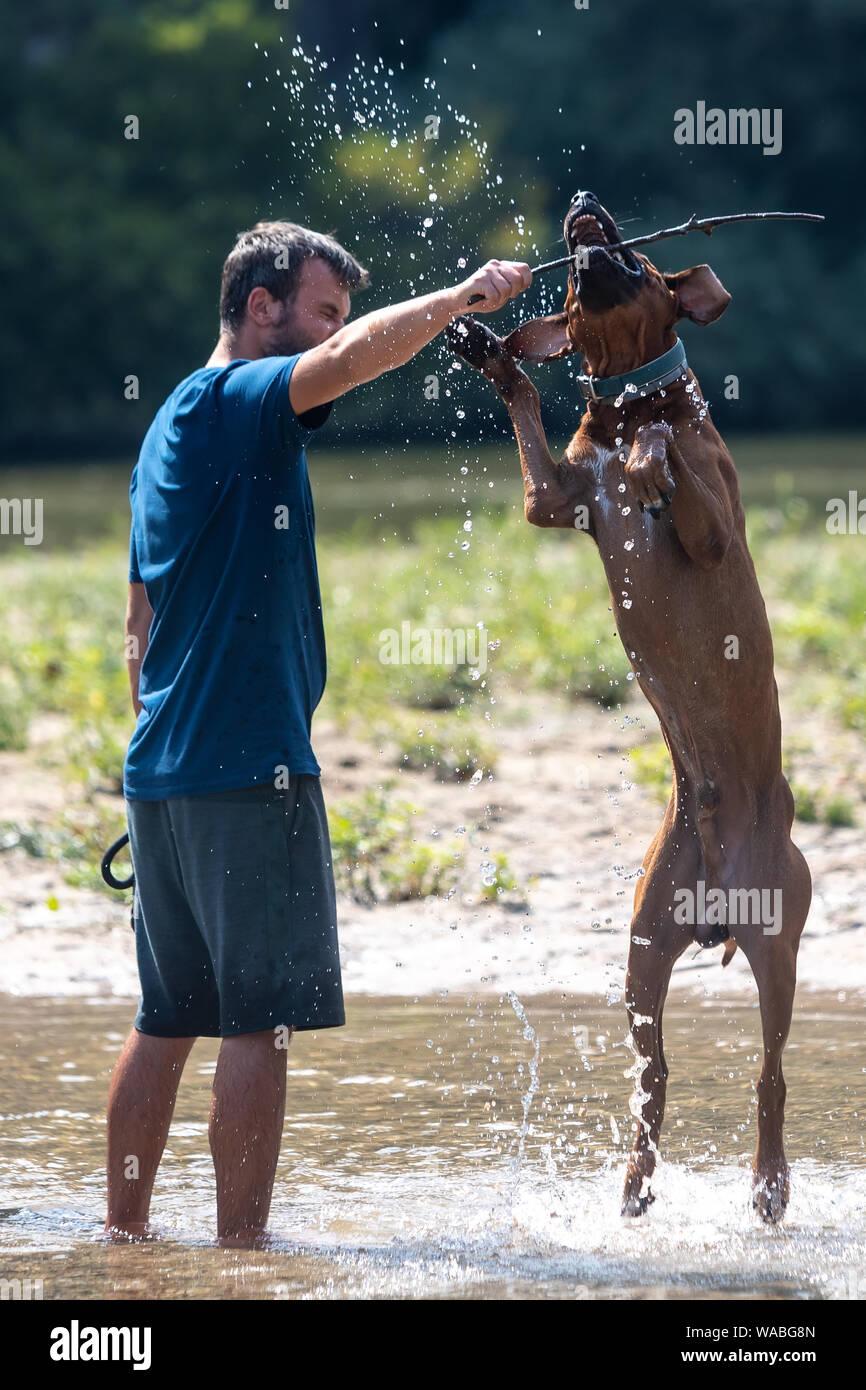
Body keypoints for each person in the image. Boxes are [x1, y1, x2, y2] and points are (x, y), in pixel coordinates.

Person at [105, 218, 532, 1246]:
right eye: (320, 312)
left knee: (166, 1022)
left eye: (341, 313)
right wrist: (461, 301)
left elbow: (136, 629)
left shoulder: (168, 423)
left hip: (164, 776)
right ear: (261, 310)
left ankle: (123, 1245)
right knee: (259, 1022)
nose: (333, 337)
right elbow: (351, 361)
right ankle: (243, 1259)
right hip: (248, 772)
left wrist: (173, 743)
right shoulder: (239, 400)